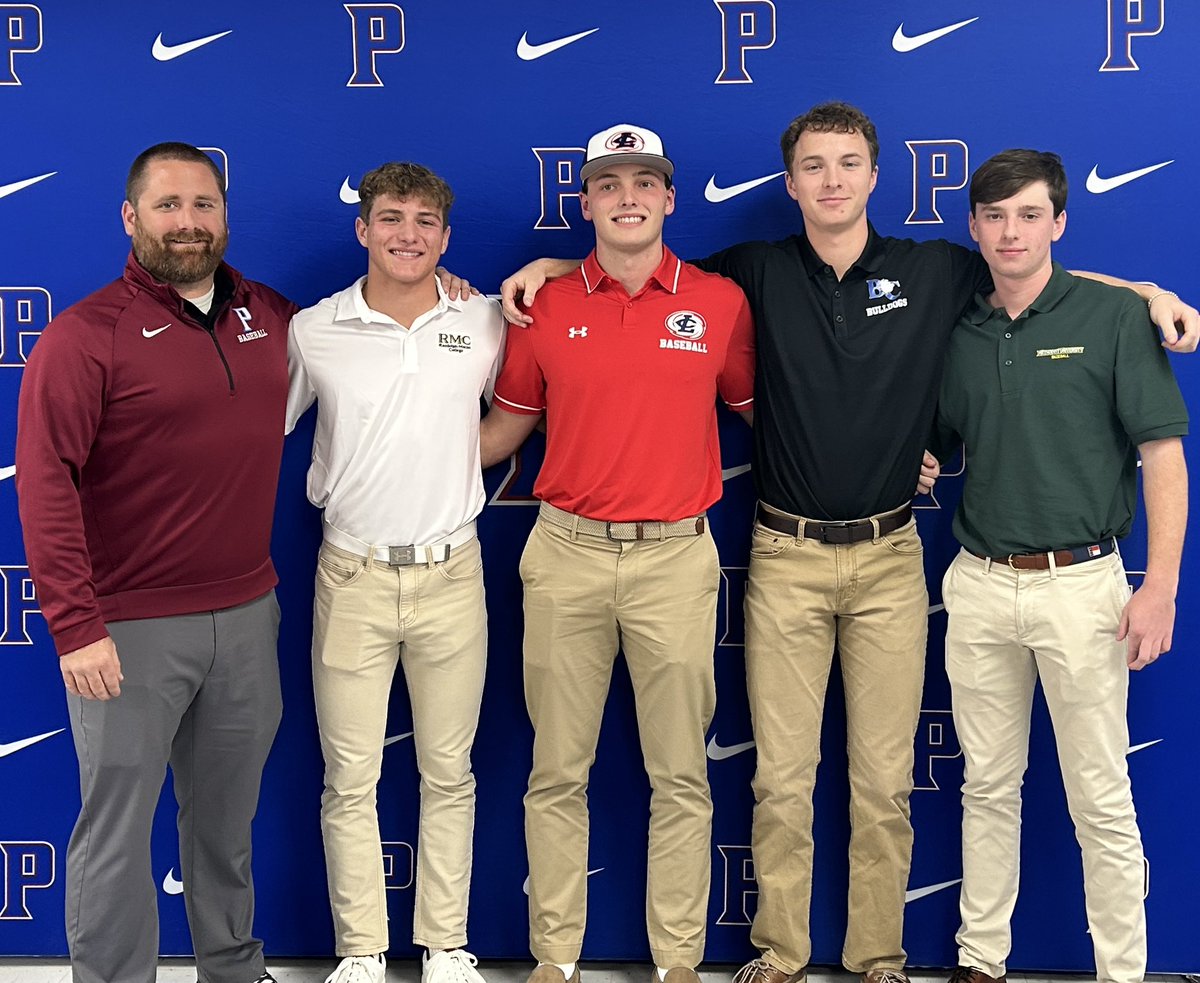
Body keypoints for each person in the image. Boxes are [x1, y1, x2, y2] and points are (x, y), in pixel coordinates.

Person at [498, 103, 1199, 983]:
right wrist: (555, 264)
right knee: (781, 778)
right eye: (815, 166)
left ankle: (879, 955)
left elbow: (1034, 275)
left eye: (850, 162)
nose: (833, 179)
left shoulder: (934, 268)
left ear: (875, 176)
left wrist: (1147, 294)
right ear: (790, 184)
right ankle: (780, 952)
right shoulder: (749, 273)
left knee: (883, 779)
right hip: (784, 554)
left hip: (891, 558)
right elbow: (635, 267)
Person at [479, 123, 755, 983]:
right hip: (565, 553)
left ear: (670, 198)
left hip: (677, 558)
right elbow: (505, 431)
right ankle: (553, 961)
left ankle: (679, 964)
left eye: (644, 182)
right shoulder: (543, 306)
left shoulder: (718, 301)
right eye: (609, 183)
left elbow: (770, 416)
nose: (627, 196)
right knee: (557, 771)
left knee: (680, 774)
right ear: (586, 200)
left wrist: (890, 454)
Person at [15, 142, 295, 983]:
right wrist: (76, 627)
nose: (188, 222)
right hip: (127, 630)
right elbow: (44, 484)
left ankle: (234, 967)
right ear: (131, 217)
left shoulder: (269, 313)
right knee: (117, 827)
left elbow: (379, 322)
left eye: (203, 204)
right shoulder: (83, 336)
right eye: (168, 206)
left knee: (224, 822)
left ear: (224, 215)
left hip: (248, 617)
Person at [933, 149, 1187, 983]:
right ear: (973, 226)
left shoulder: (1114, 317)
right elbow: (935, 445)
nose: (1012, 232)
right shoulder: (959, 330)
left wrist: (1160, 586)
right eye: (996, 216)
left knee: (1101, 797)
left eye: (1030, 215)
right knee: (987, 786)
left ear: (1059, 222)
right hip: (977, 584)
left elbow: (1163, 454)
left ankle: (1123, 972)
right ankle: (982, 960)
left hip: (1083, 585)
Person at [286, 162, 504, 983]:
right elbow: (247, 429)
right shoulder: (315, 329)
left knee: (450, 770)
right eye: (390, 217)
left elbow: (520, 407)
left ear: (445, 237)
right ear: (363, 229)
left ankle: (446, 945)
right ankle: (361, 951)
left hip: (453, 572)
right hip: (352, 575)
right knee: (351, 776)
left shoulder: (484, 320)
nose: (406, 233)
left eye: (423, 220)